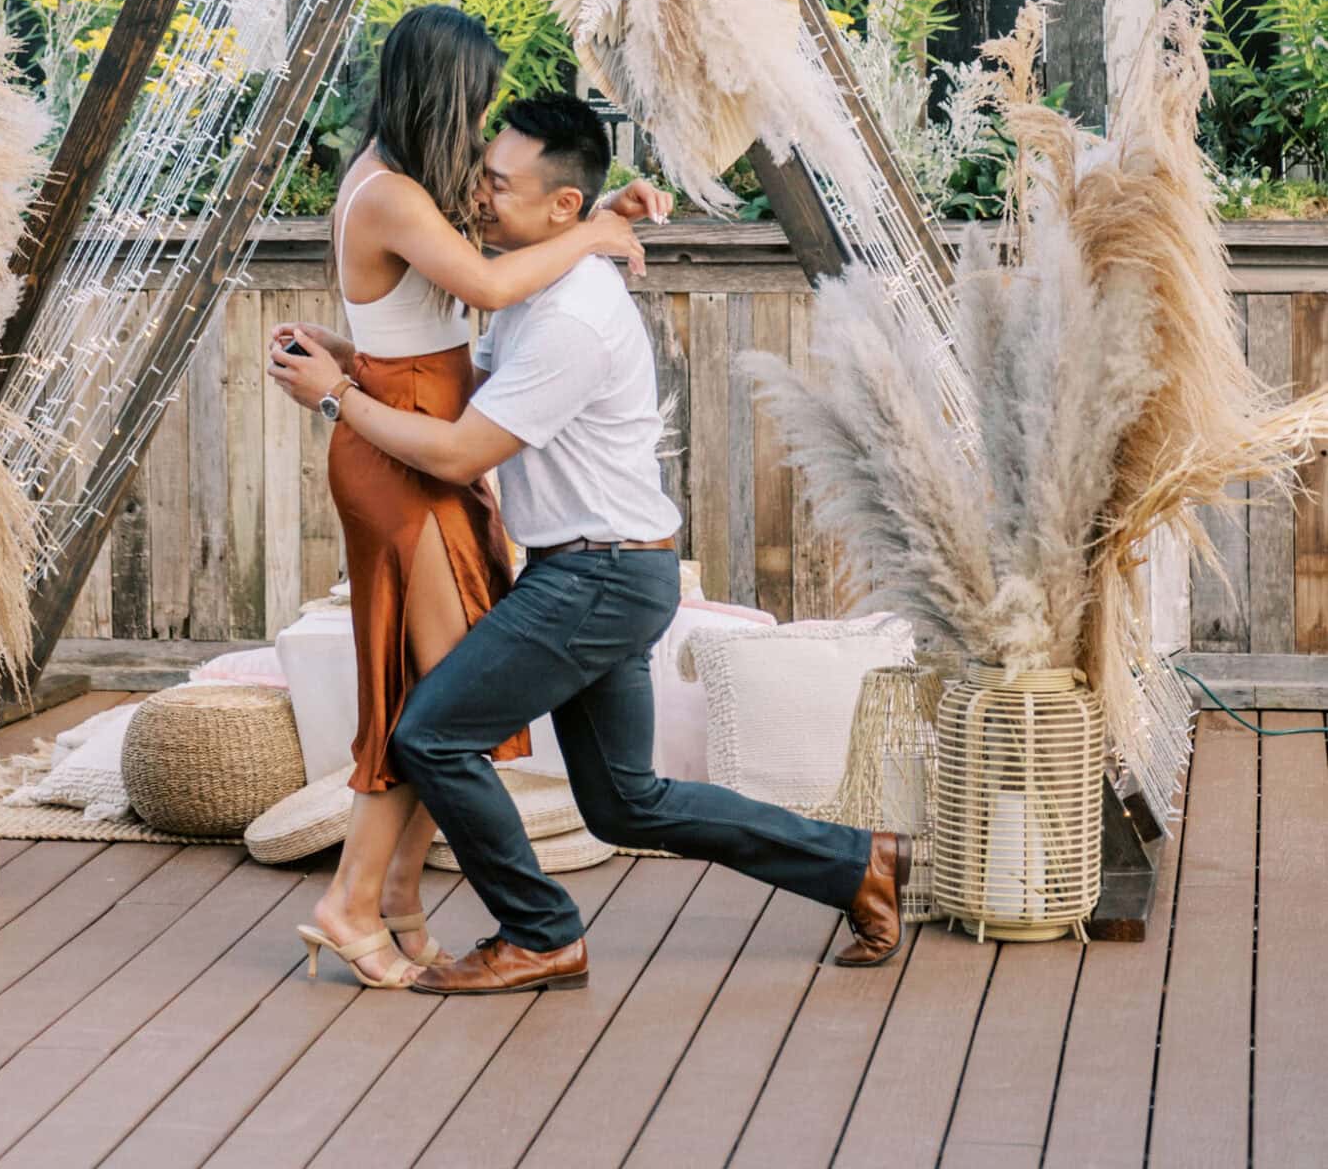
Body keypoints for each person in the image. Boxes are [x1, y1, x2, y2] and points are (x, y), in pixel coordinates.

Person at [270, 88, 911, 994]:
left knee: (432, 736)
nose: (476, 198)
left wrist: (337, 401)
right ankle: (857, 863)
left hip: (596, 582)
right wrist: (345, 354)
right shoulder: (543, 288)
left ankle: (539, 932)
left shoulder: (569, 316)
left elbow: (458, 454)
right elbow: (463, 387)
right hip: (602, 570)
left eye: (496, 184)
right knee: (625, 804)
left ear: (558, 205)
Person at [279, 7, 668, 989]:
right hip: (403, 453)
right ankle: (349, 901)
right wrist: (593, 232)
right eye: (478, 99)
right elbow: (489, 292)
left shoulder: (393, 177)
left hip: (413, 431)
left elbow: (419, 317)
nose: (484, 119)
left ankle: (396, 895)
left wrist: (587, 211)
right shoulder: (392, 193)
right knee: (435, 700)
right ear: (444, 93)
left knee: (436, 695)